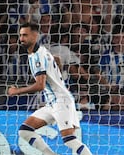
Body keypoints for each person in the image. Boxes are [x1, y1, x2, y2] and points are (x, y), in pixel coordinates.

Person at [8, 23, 92, 155]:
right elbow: (54, 64)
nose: (21, 38)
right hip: (52, 103)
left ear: (35, 36)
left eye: (25, 35)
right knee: (25, 130)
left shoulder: (38, 56)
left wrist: (16, 91)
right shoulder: (39, 52)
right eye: (20, 35)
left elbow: (40, 85)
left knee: (70, 140)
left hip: (61, 101)